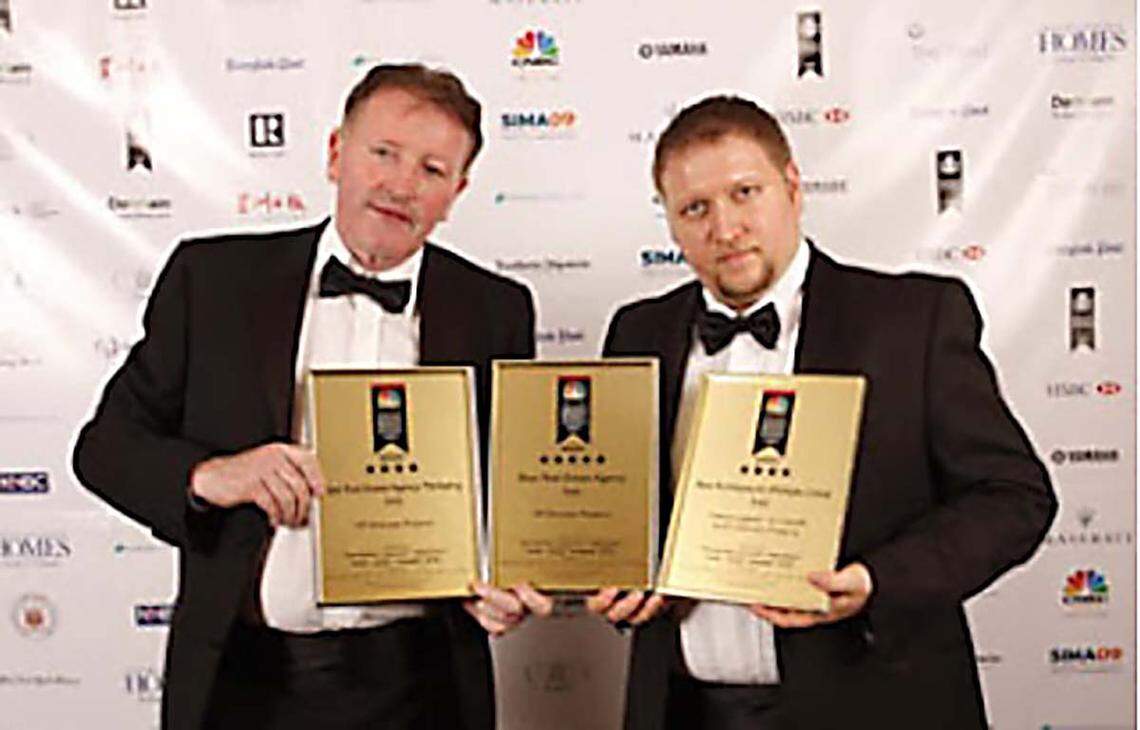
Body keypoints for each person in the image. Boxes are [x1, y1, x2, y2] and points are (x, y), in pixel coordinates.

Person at [73, 63, 551, 730]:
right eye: (382, 153)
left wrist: (508, 581)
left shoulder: (496, 310)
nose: (401, 185)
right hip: (242, 683)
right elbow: (104, 450)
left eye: (432, 170)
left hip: (422, 686)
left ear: (457, 192)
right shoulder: (212, 281)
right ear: (335, 154)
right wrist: (214, 476)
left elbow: (512, 497)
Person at [588, 95, 1056, 729]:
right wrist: (615, 576)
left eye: (745, 192)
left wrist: (875, 580)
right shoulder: (638, 331)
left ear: (792, 188)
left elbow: (1013, 497)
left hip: (875, 707)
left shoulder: (913, 321)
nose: (725, 229)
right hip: (684, 711)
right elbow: (620, 512)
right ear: (670, 223)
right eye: (695, 208)